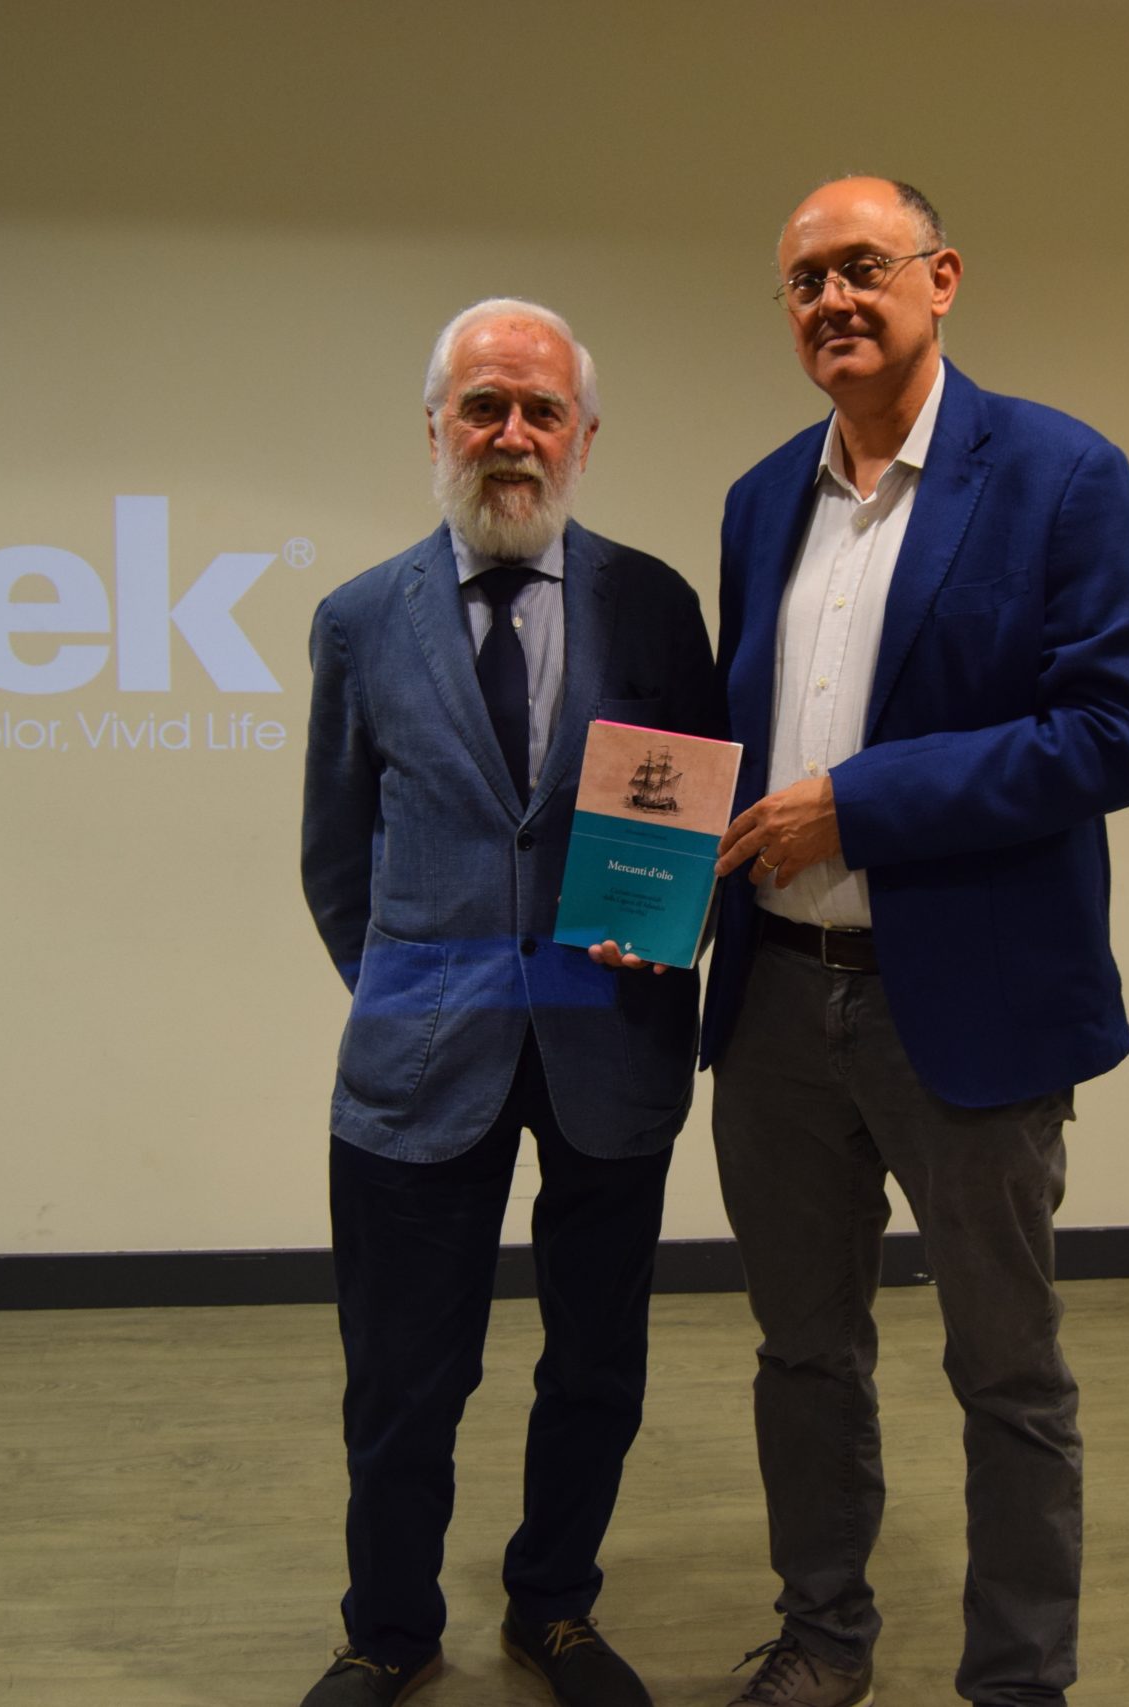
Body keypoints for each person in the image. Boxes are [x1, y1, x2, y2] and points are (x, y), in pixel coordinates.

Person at [702, 177, 1129, 1707]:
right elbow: (733, 744)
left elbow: (1111, 735)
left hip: (965, 1009)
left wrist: (860, 806)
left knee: (1008, 1373)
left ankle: (1018, 1681)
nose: (833, 299)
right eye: (804, 280)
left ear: (941, 276)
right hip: (777, 1006)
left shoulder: (1060, 474)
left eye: (862, 266)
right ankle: (824, 1639)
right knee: (803, 1355)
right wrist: (654, 886)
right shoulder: (760, 500)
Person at [297, 298, 718, 1707]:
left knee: (596, 1365)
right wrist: (414, 991)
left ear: (585, 437)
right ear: (436, 429)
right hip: (421, 1058)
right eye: (485, 406)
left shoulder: (655, 605)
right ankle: (388, 1629)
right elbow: (335, 859)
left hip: (614, 1049)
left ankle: (554, 1607)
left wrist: (667, 931)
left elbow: (696, 814)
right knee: (403, 1376)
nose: (513, 435)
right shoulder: (361, 620)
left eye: (543, 410)